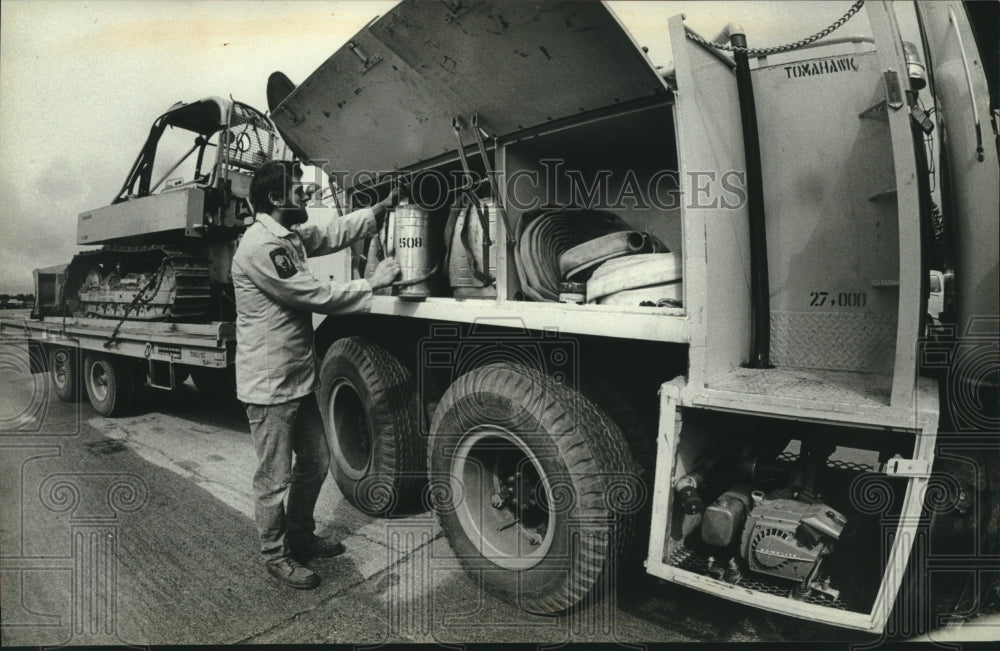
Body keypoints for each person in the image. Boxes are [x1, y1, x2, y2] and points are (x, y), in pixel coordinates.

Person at [232, 159, 400, 589]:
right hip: (270, 388)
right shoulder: (259, 248)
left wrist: (377, 211)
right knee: (273, 479)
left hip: (297, 378)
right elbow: (314, 294)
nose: (307, 193)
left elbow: (330, 234)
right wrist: (373, 284)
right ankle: (276, 555)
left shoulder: (287, 236)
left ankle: (301, 536)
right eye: (298, 189)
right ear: (274, 198)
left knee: (316, 460)